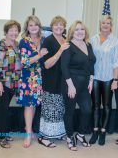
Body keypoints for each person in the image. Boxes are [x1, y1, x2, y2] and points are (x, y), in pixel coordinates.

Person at [61, 20, 96, 151]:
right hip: (71, 83)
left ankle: (80, 135)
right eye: (76, 29)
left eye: (82, 29)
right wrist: (70, 85)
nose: (80, 32)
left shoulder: (88, 45)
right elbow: (64, 67)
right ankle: (70, 137)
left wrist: (91, 80)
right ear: (71, 32)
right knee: (69, 112)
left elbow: (91, 63)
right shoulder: (68, 46)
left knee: (87, 110)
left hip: (85, 85)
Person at [16, 15, 48, 148]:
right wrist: (39, 55)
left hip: (41, 77)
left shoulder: (44, 39)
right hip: (28, 77)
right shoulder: (24, 41)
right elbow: (25, 62)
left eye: (36, 25)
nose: (33, 27)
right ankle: (28, 133)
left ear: (39, 26)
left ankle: (29, 129)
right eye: (31, 25)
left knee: (34, 104)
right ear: (27, 28)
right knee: (29, 105)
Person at [0, 20, 21, 148]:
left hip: (13, 83)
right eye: (11, 30)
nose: (14, 32)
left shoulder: (17, 44)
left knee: (5, 108)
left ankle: (3, 132)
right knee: (3, 109)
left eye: (16, 30)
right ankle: (1, 136)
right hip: (3, 83)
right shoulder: (1, 45)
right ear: (6, 32)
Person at [38, 15, 69, 148]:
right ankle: (43, 137)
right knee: (49, 108)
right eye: (56, 25)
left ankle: (57, 133)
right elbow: (46, 64)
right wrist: (60, 51)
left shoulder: (66, 40)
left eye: (61, 25)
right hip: (50, 78)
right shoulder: (48, 41)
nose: (59, 27)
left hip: (63, 79)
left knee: (60, 108)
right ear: (52, 27)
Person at [90, 15, 118, 146]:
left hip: (108, 78)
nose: (105, 25)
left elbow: (116, 62)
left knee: (107, 106)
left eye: (108, 23)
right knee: (96, 105)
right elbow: (90, 60)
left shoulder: (115, 41)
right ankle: (95, 130)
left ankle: (103, 131)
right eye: (103, 23)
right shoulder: (93, 39)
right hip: (95, 77)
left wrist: (115, 80)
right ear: (100, 25)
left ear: (111, 26)